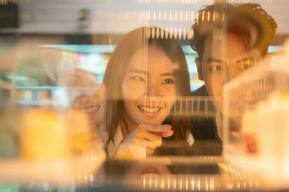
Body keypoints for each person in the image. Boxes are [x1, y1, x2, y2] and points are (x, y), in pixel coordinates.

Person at [189, 3, 277, 141]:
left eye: (245, 66)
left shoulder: (286, 115)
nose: (232, 81)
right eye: (217, 68)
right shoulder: (183, 121)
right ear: (200, 69)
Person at [102, 27, 192, 158]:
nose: (152, 95)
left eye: (167, 81)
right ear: (117, 82)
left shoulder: (186, 139)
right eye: (139, 78)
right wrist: (121, 159)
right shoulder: (93, 142)